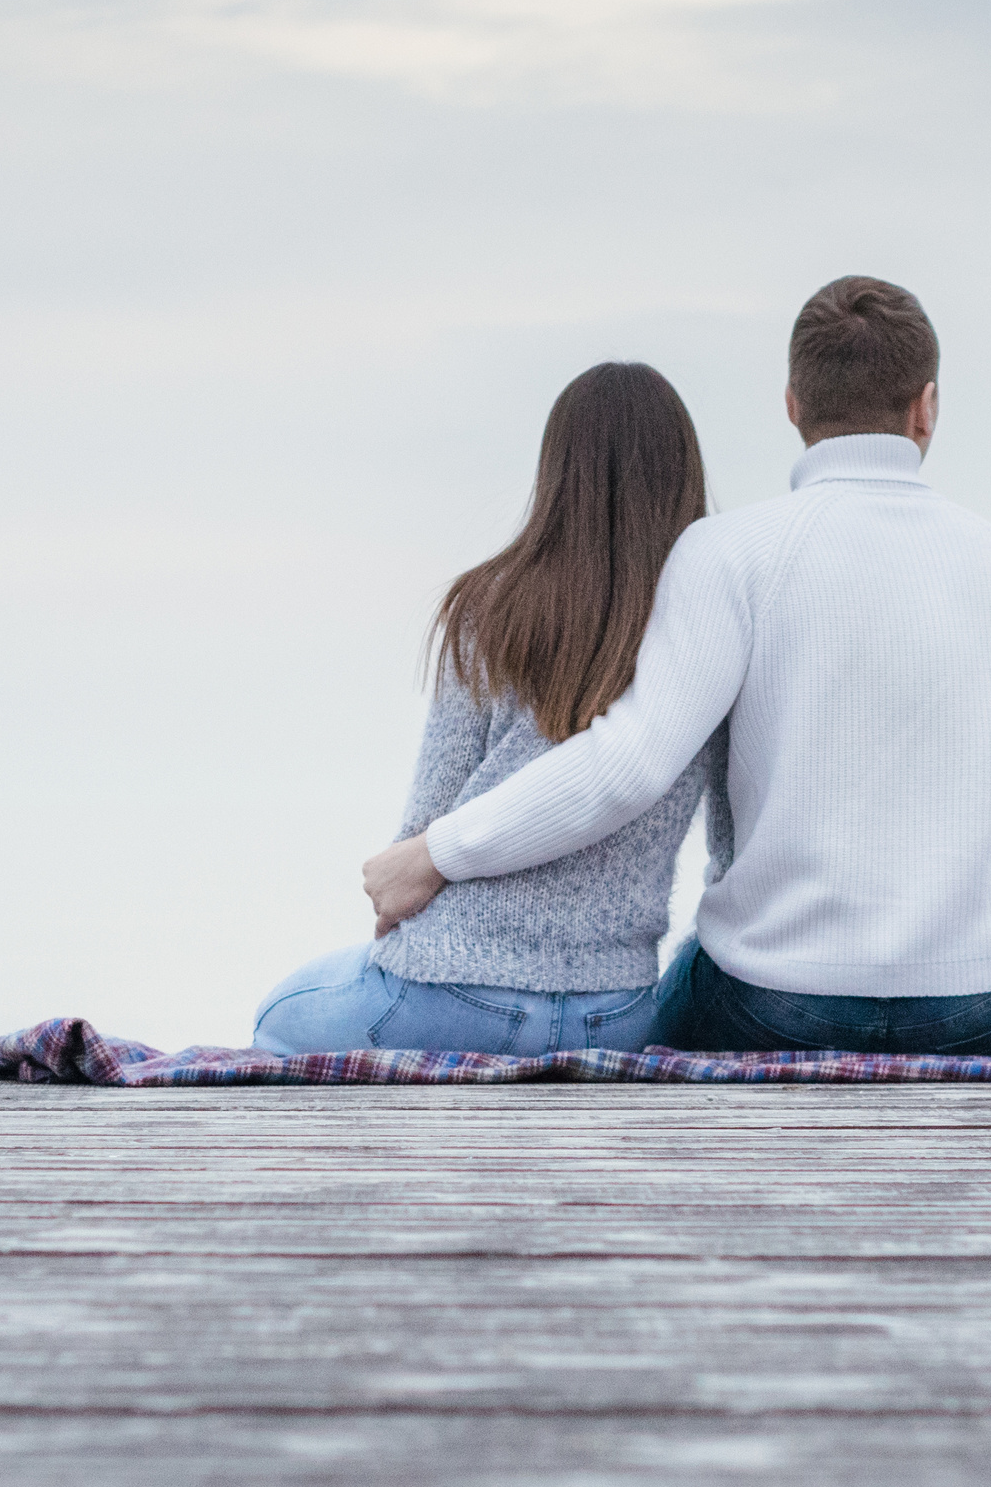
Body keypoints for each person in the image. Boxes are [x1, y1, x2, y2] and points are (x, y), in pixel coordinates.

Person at [360, 276, 991, 1059]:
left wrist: (437, 852)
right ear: (926, 406)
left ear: (792, 403)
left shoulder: (728, 555)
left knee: (674, 996)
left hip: (776, 1004)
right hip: (988, 1005)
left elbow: (627, 767)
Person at [252, 362, 731, 1056]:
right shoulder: (705, 631)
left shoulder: (489, 607)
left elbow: (425, 820)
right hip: (615, 1010)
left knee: (279, 1013)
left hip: (456, 995)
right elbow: (726, 832)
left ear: (557, 471)